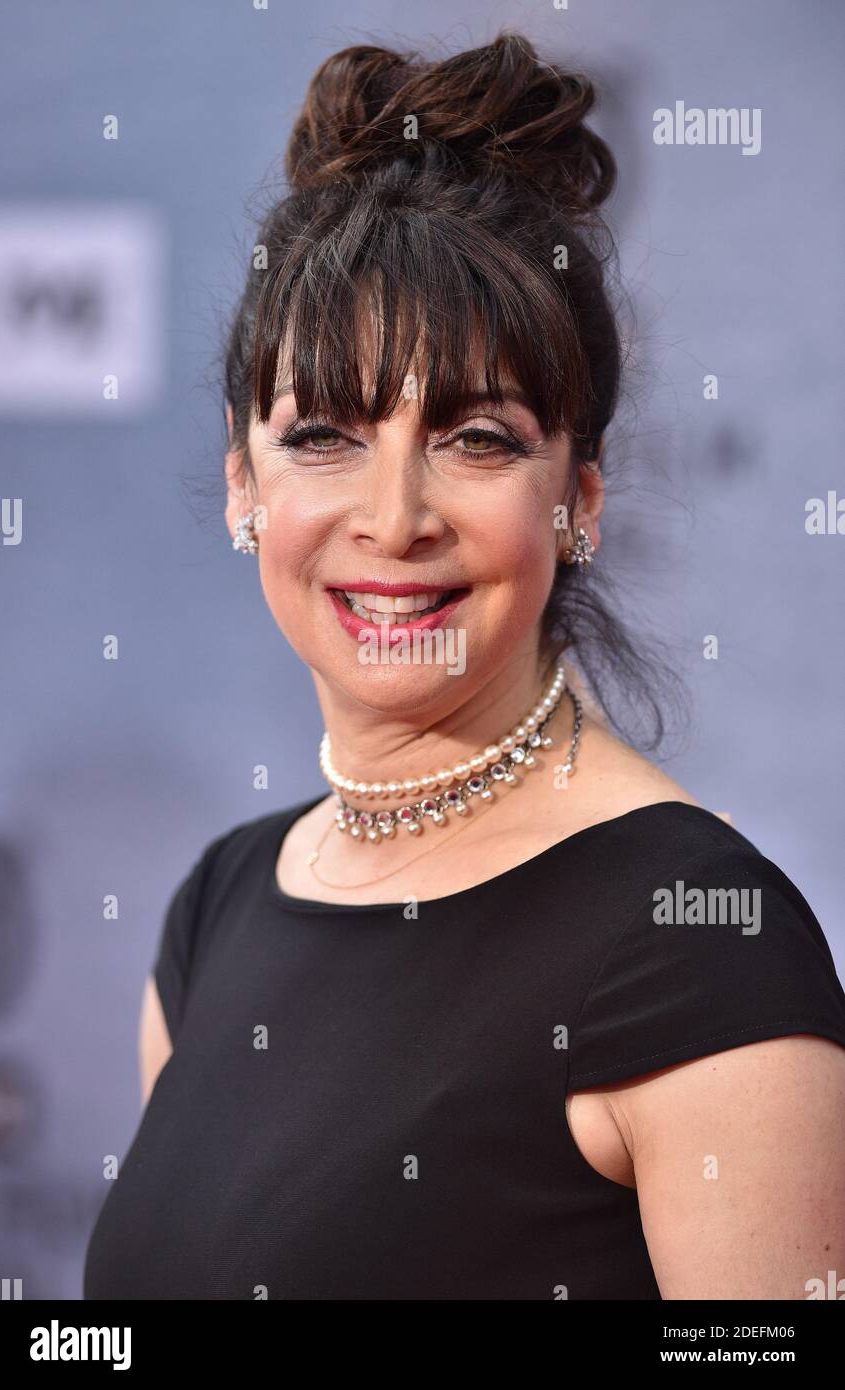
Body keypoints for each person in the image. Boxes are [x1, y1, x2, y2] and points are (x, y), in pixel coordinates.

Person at [84, 32, 845, 1301]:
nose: (394, 519)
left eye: (476, 437)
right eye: (322, 436)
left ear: (579, 497)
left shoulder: (696, 941)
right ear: (241, 483)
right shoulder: (216, 910)